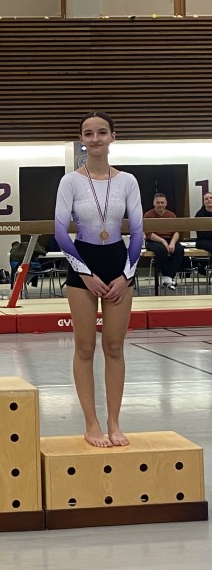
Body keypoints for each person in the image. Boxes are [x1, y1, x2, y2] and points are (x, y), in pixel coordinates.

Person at [54, 112, 143, 448]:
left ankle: (114, 423)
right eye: (88, 134)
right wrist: (85, 274)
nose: (95, 139)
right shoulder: (70, 182)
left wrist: (125, 275)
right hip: (83, 264)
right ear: (81, 139)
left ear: (112, 137)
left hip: (118, 263)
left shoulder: (128, 181)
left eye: (102, 132)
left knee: (115, 347)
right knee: (86, 347)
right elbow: (60, 232)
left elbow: (138, 232)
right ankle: (91, 424)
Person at [144, 192, 184, 291]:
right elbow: (148, 233)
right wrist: (163, 241)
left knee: (180, 249)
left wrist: (172, 243)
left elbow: (176, 232)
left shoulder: (171, 215)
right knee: (161, 250)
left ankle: (168, 277)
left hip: (169, 239)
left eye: (162, 202)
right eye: (158, 202)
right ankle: (167, 277)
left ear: (166, 203)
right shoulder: (148, 215)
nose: (160, 205)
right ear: (154, 203)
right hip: (153, 240)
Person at [195, 192, 212, 258]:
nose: (209, 200)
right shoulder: (199, 214)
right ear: (204, 202)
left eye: (211, 198)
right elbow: (202, 234)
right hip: (203, 240)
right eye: (206, 199)